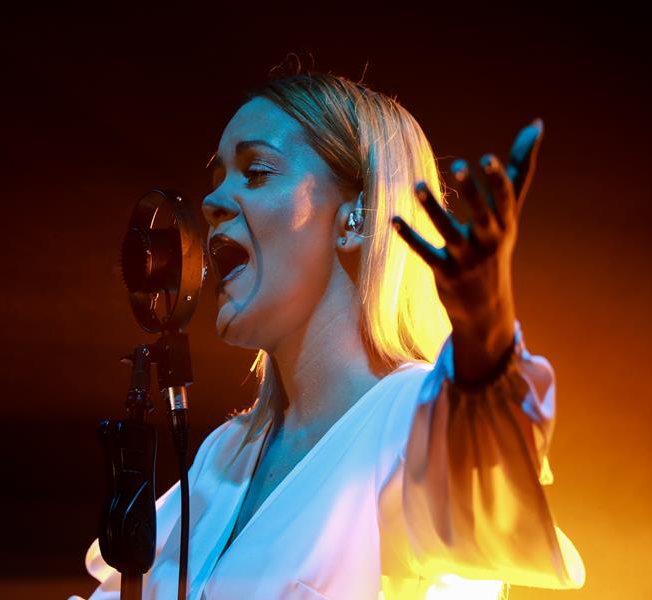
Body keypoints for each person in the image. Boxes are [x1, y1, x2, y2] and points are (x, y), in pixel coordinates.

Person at [72, 68, 585, 599]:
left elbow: (486, 493)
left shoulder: (407, 420)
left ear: (353, 219)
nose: (212, 202)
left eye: (256, 172)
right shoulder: (221, 457)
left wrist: (486, 332)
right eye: (218, 176)